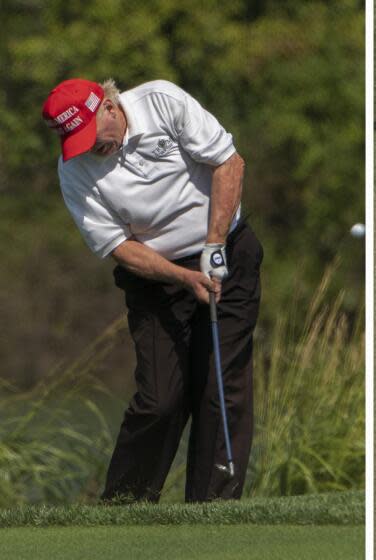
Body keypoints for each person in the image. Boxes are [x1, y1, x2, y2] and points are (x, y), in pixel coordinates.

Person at [42, 78, 263, 503]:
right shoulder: (74, 172)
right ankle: (125, 505)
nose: (90, 149)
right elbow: (120, 248)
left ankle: (213, 507)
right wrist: (183, 278)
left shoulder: (161, 101)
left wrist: (214, 245)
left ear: (108, 105)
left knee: (221, 384)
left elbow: (229, 163)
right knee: (159, 398)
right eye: (78, 142)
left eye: (93, 136)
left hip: (224, 251)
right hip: (156, 280)